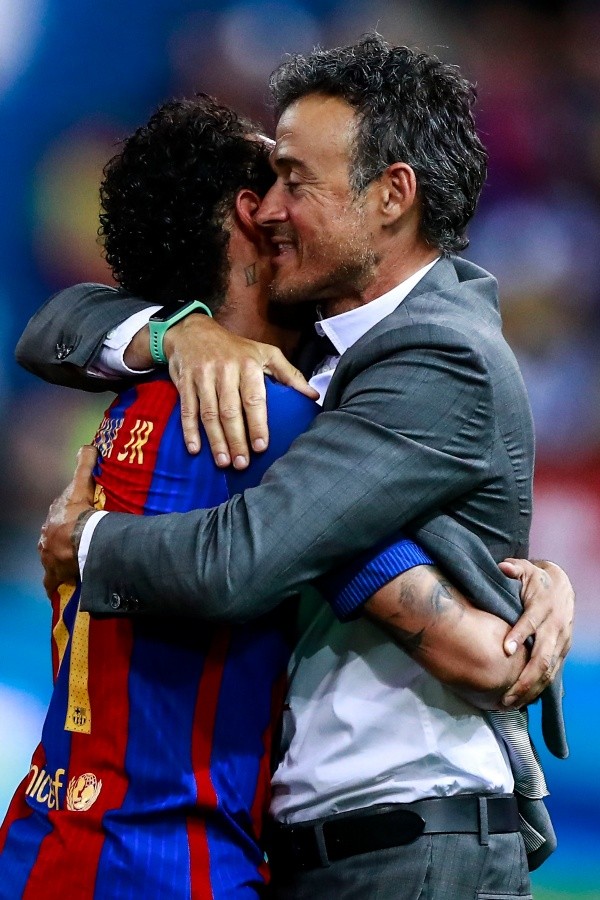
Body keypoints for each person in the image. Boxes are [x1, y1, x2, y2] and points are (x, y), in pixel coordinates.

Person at [19, 37, 574, 898]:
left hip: (393, 841)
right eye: (264, 187)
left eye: (295, 181)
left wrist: (86, 539)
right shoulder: (280, 390)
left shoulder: (425, 359)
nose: (274, 208)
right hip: (222, 850)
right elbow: (57, 328)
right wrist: (180, 331)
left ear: (392, 195)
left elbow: (266, 548)